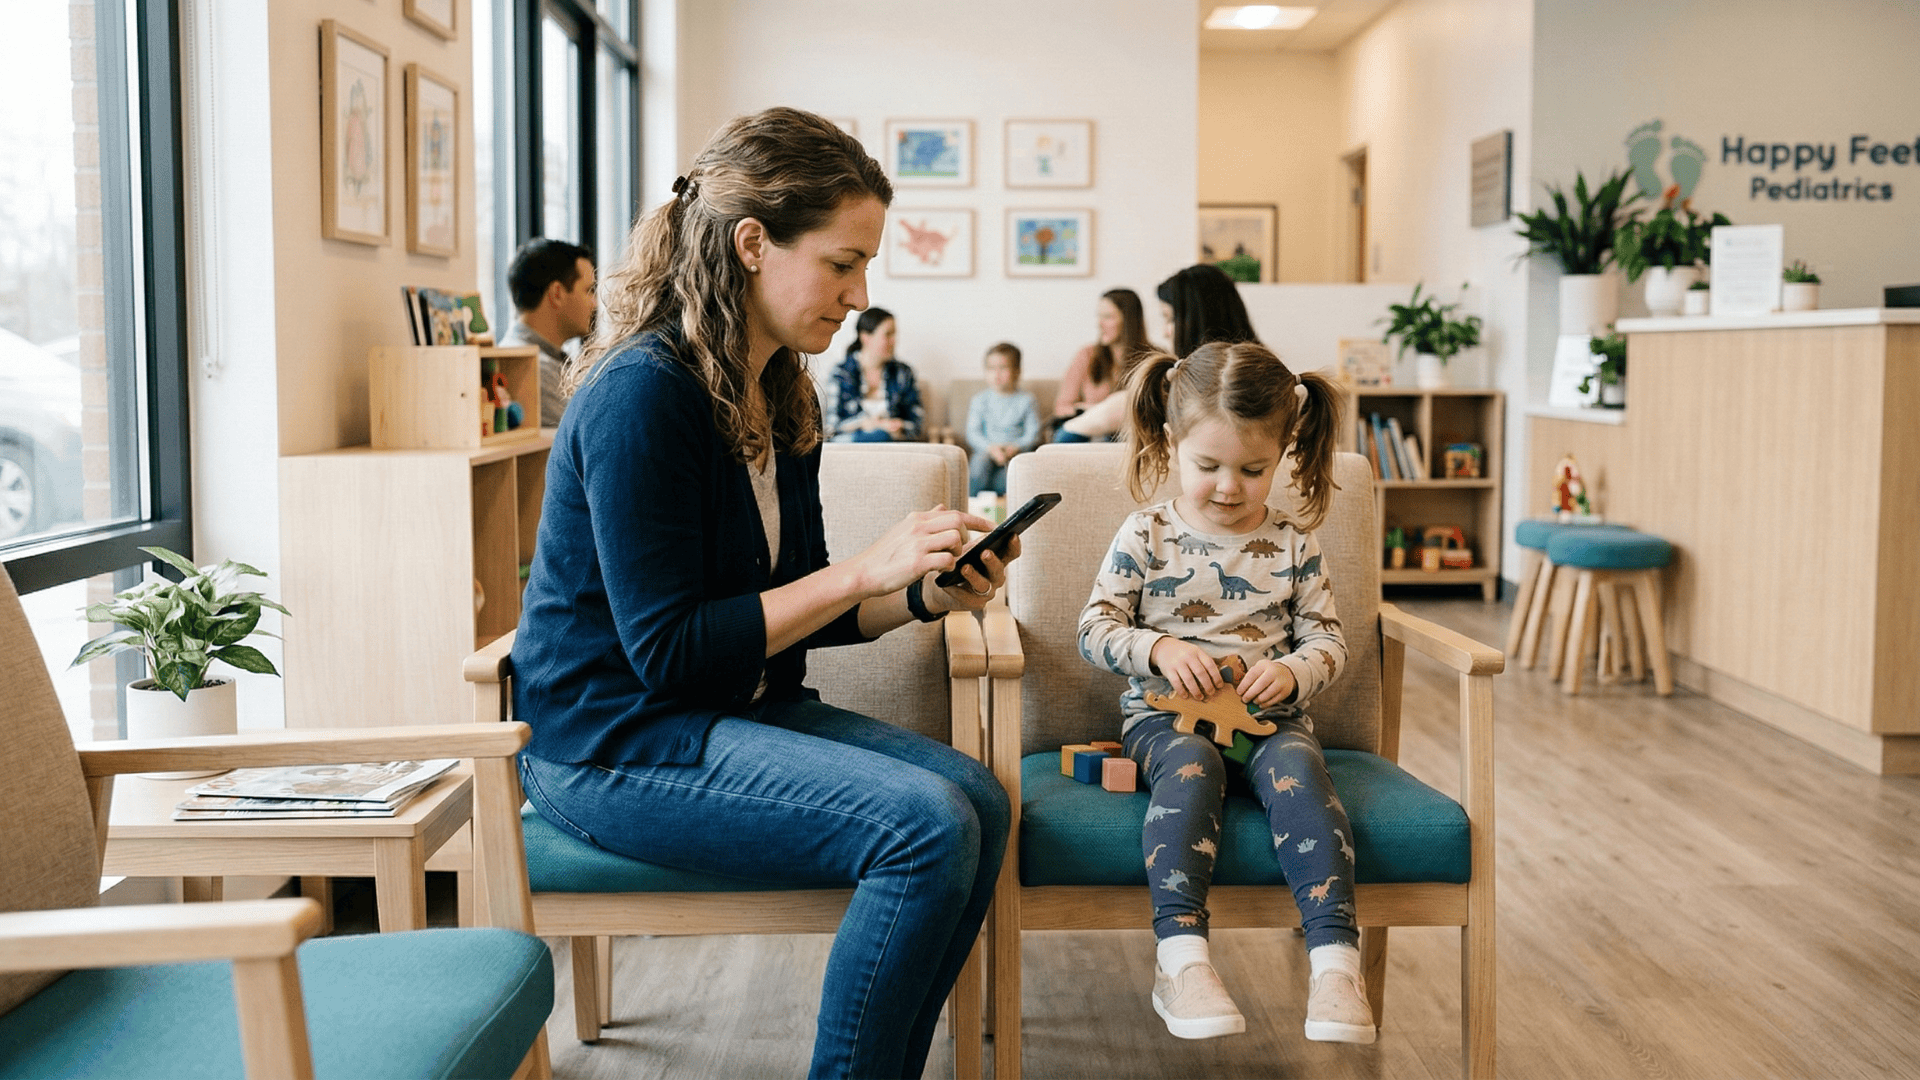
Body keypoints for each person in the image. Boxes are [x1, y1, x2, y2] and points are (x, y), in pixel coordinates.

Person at [516, 106, 1012, 1080]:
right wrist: (863, 570)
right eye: (842, 263)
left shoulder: (782, 391)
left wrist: (921, 595)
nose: (861, 295)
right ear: (752, 243)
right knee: (924, 826)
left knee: (981, 801)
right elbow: (669, 652)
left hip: (731, 709)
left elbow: (802, 608)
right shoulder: (642, 394)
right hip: (614, 743)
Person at [1076, 340, 1369, 1045]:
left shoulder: (1294, 544)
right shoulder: (1146, 534)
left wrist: (1296, 671)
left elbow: (1329, 641)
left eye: (1253, 469)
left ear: (1285, 454)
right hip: (1163, 722)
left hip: (1274, 724)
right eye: (1208, 466)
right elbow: (1094, 628)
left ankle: (1335, 965)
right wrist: (1160, 648)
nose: (1230, 487)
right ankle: (1182, 960)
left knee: (1301, 768)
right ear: (1172, 443)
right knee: (1192, 766)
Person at [1057, 264, 1260, 443]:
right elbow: (1063, 408)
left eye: (1169, 318)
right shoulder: (1087, 355)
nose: (1165, 331)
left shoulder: (1163, 367)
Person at [500, 238, 597, 427]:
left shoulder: (548, 362)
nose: (594, 303)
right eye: (588, 291)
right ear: (557, 294)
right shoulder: (535, 372)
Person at [1051, 288, 1152, 441]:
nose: (1099, 324)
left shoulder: (1152, 358)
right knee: (1065, 435)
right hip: (1091, 432)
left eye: (1108, 317)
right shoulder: (1087, 355)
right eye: (1099, 316)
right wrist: (1093, 411)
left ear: (1129, 321)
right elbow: (1062, 407)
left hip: (1130, 435)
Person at [823, 307, 925, 441]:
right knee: (877, 436)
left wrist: (898, 426)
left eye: (894, 334)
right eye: (888, 334)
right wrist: (864, 424)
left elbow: (916, 424)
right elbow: (831, 427)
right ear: (865, 337)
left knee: (883, 436)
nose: (894, 341)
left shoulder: (903, 373)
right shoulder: (840, 374)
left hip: (892, 443)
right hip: (851, 444)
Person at [965, 342, 1041, 498]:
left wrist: (1016, 446)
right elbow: (973, 432)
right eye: (991, 368)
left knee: (1016, 472)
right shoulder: (980, 400)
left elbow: (1034, 433)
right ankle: (971, 504)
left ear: (1017, 372)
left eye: (1003, 368)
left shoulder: (1027, 400)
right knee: (979, 464)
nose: (997, 374)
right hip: (987, 452)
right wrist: (991, 449)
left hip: (1015, 453)